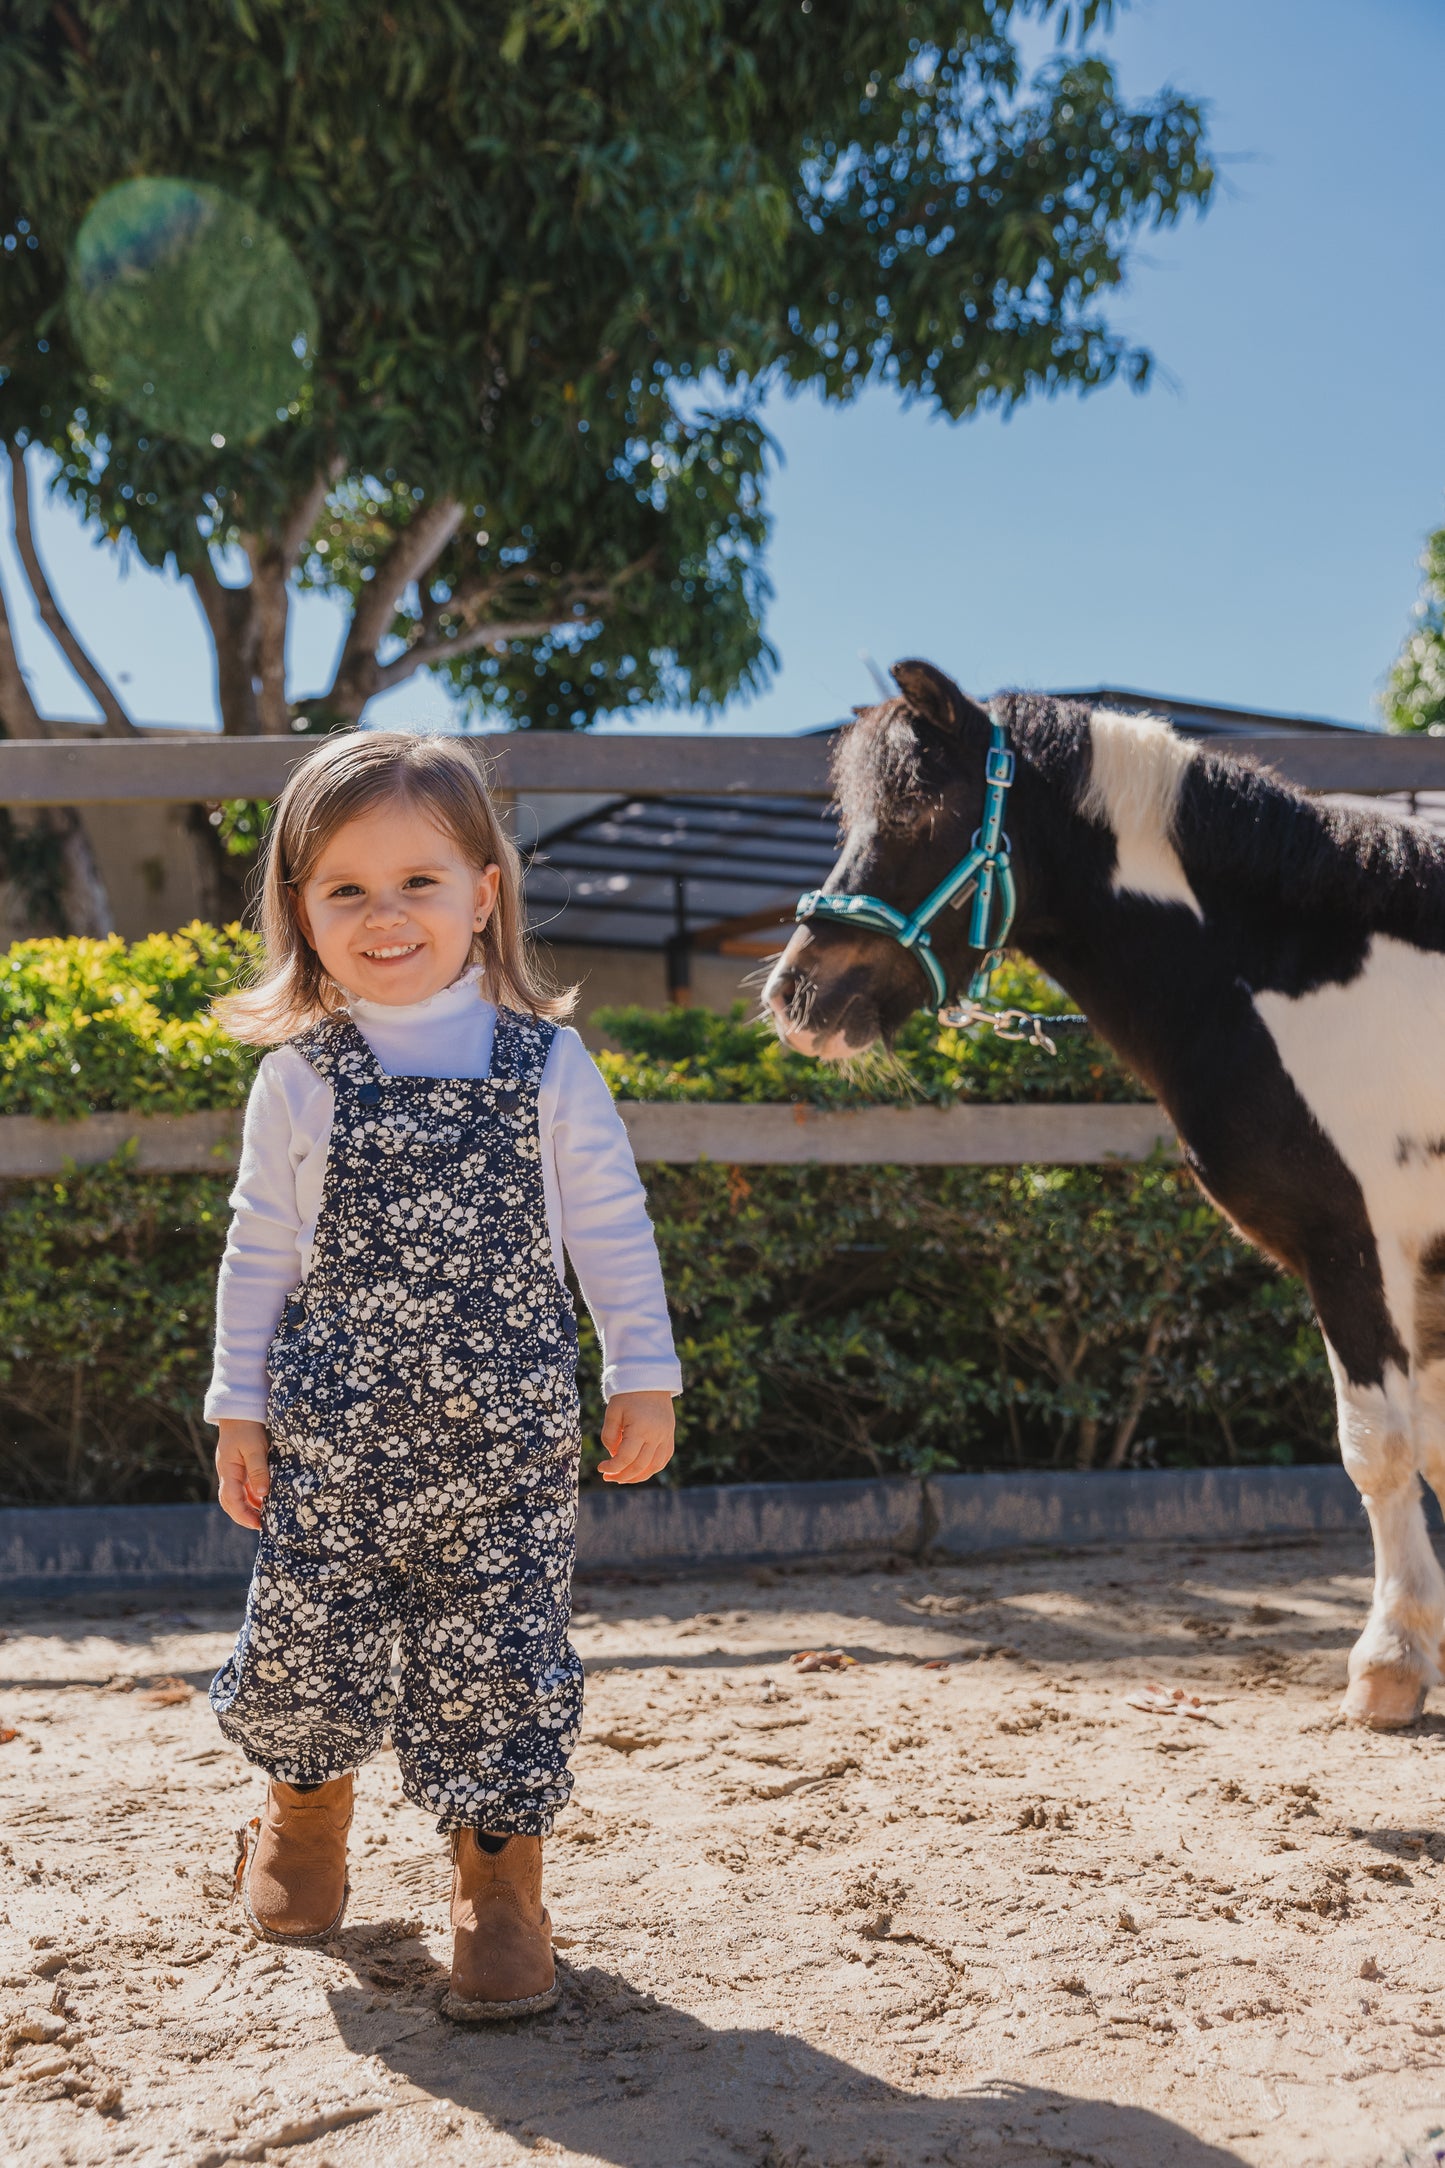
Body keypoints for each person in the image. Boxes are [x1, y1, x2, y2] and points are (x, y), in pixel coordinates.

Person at [204, 729, 680, 2021]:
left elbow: (610, 1226)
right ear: (300, 909)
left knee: (501, 1661)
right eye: (345, 888)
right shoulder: (298, 1078)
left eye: (418, 880)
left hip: (507, 1450)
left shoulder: (546, 1065)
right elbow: (259, 1251)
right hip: (332, 1446)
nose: (385, 914)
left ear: (484, 892)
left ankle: (497, 1886)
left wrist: (641, 1369)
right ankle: (305, 1819)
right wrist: (238, 1407)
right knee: (305, 1644)